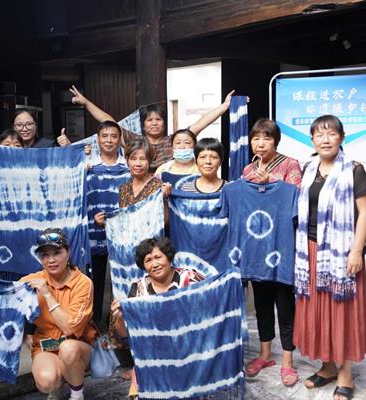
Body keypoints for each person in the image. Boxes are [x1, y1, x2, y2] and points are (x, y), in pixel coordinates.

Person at [293, 115, 366, 400]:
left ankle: (345, 373)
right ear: (312, 139)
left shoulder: (354, 169)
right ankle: (327, 366)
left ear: (342, 137)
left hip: (342, 252)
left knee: (342, 311)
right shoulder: (308, 168)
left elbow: (364, 213)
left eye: (331, 134)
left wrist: (356, 250)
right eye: (319, 134)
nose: (325, 140)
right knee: (318, 310)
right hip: (310, 251)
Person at [240, 118, 302, 386]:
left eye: (266, 138)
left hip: (283, 244)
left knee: (285, 305)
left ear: (276, 141)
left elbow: (296, 196)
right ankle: (265, 354)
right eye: (256, 138)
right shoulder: (248, 169)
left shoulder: (290, 165)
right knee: (262, 304)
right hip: (257, 246)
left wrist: (272, 181)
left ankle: (287, 360)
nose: (261, 143)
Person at [110, 237, 205, 399]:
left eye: (158, 257)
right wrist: (119, 318)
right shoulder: (139, 290)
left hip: (191, 351)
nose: (154, 264)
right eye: (148, 260)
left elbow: (209, 310)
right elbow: (125, 334)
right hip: (154, 356)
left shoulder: (191, 279)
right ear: (143, 265)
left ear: (168, 257)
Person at [69, 85, 237, 172]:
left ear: (164, 123)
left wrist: (224, 106)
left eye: (158, 119)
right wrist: (86, 103)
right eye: (149, 120)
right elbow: (109, 122)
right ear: (143, 125)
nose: (154, 123)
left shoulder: (175, 141)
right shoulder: (135, 141)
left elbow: (200, 123)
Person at [20, 228, 98, 400]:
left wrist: (47, 294)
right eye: (45, 255)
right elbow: (4, 294)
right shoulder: (34, 279)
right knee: (46, 381)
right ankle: (56, 386)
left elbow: (69, 328)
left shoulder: (83, 283)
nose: (51, 260)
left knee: (68, 348)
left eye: (57, 253)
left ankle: (77, 394)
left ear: (68, 252)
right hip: (46, 345)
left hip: (78, 346)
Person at [86, 120, 129, 325]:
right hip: (94, 233)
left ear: (119, 140)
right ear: (98, 139)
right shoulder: (88, 166)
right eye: (105, 136)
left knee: (120, 280)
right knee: (94, 282)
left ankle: (118, 327)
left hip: (123, 234)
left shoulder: (128, 167)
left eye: (113, 136)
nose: (109, 140)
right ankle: (94, 325)